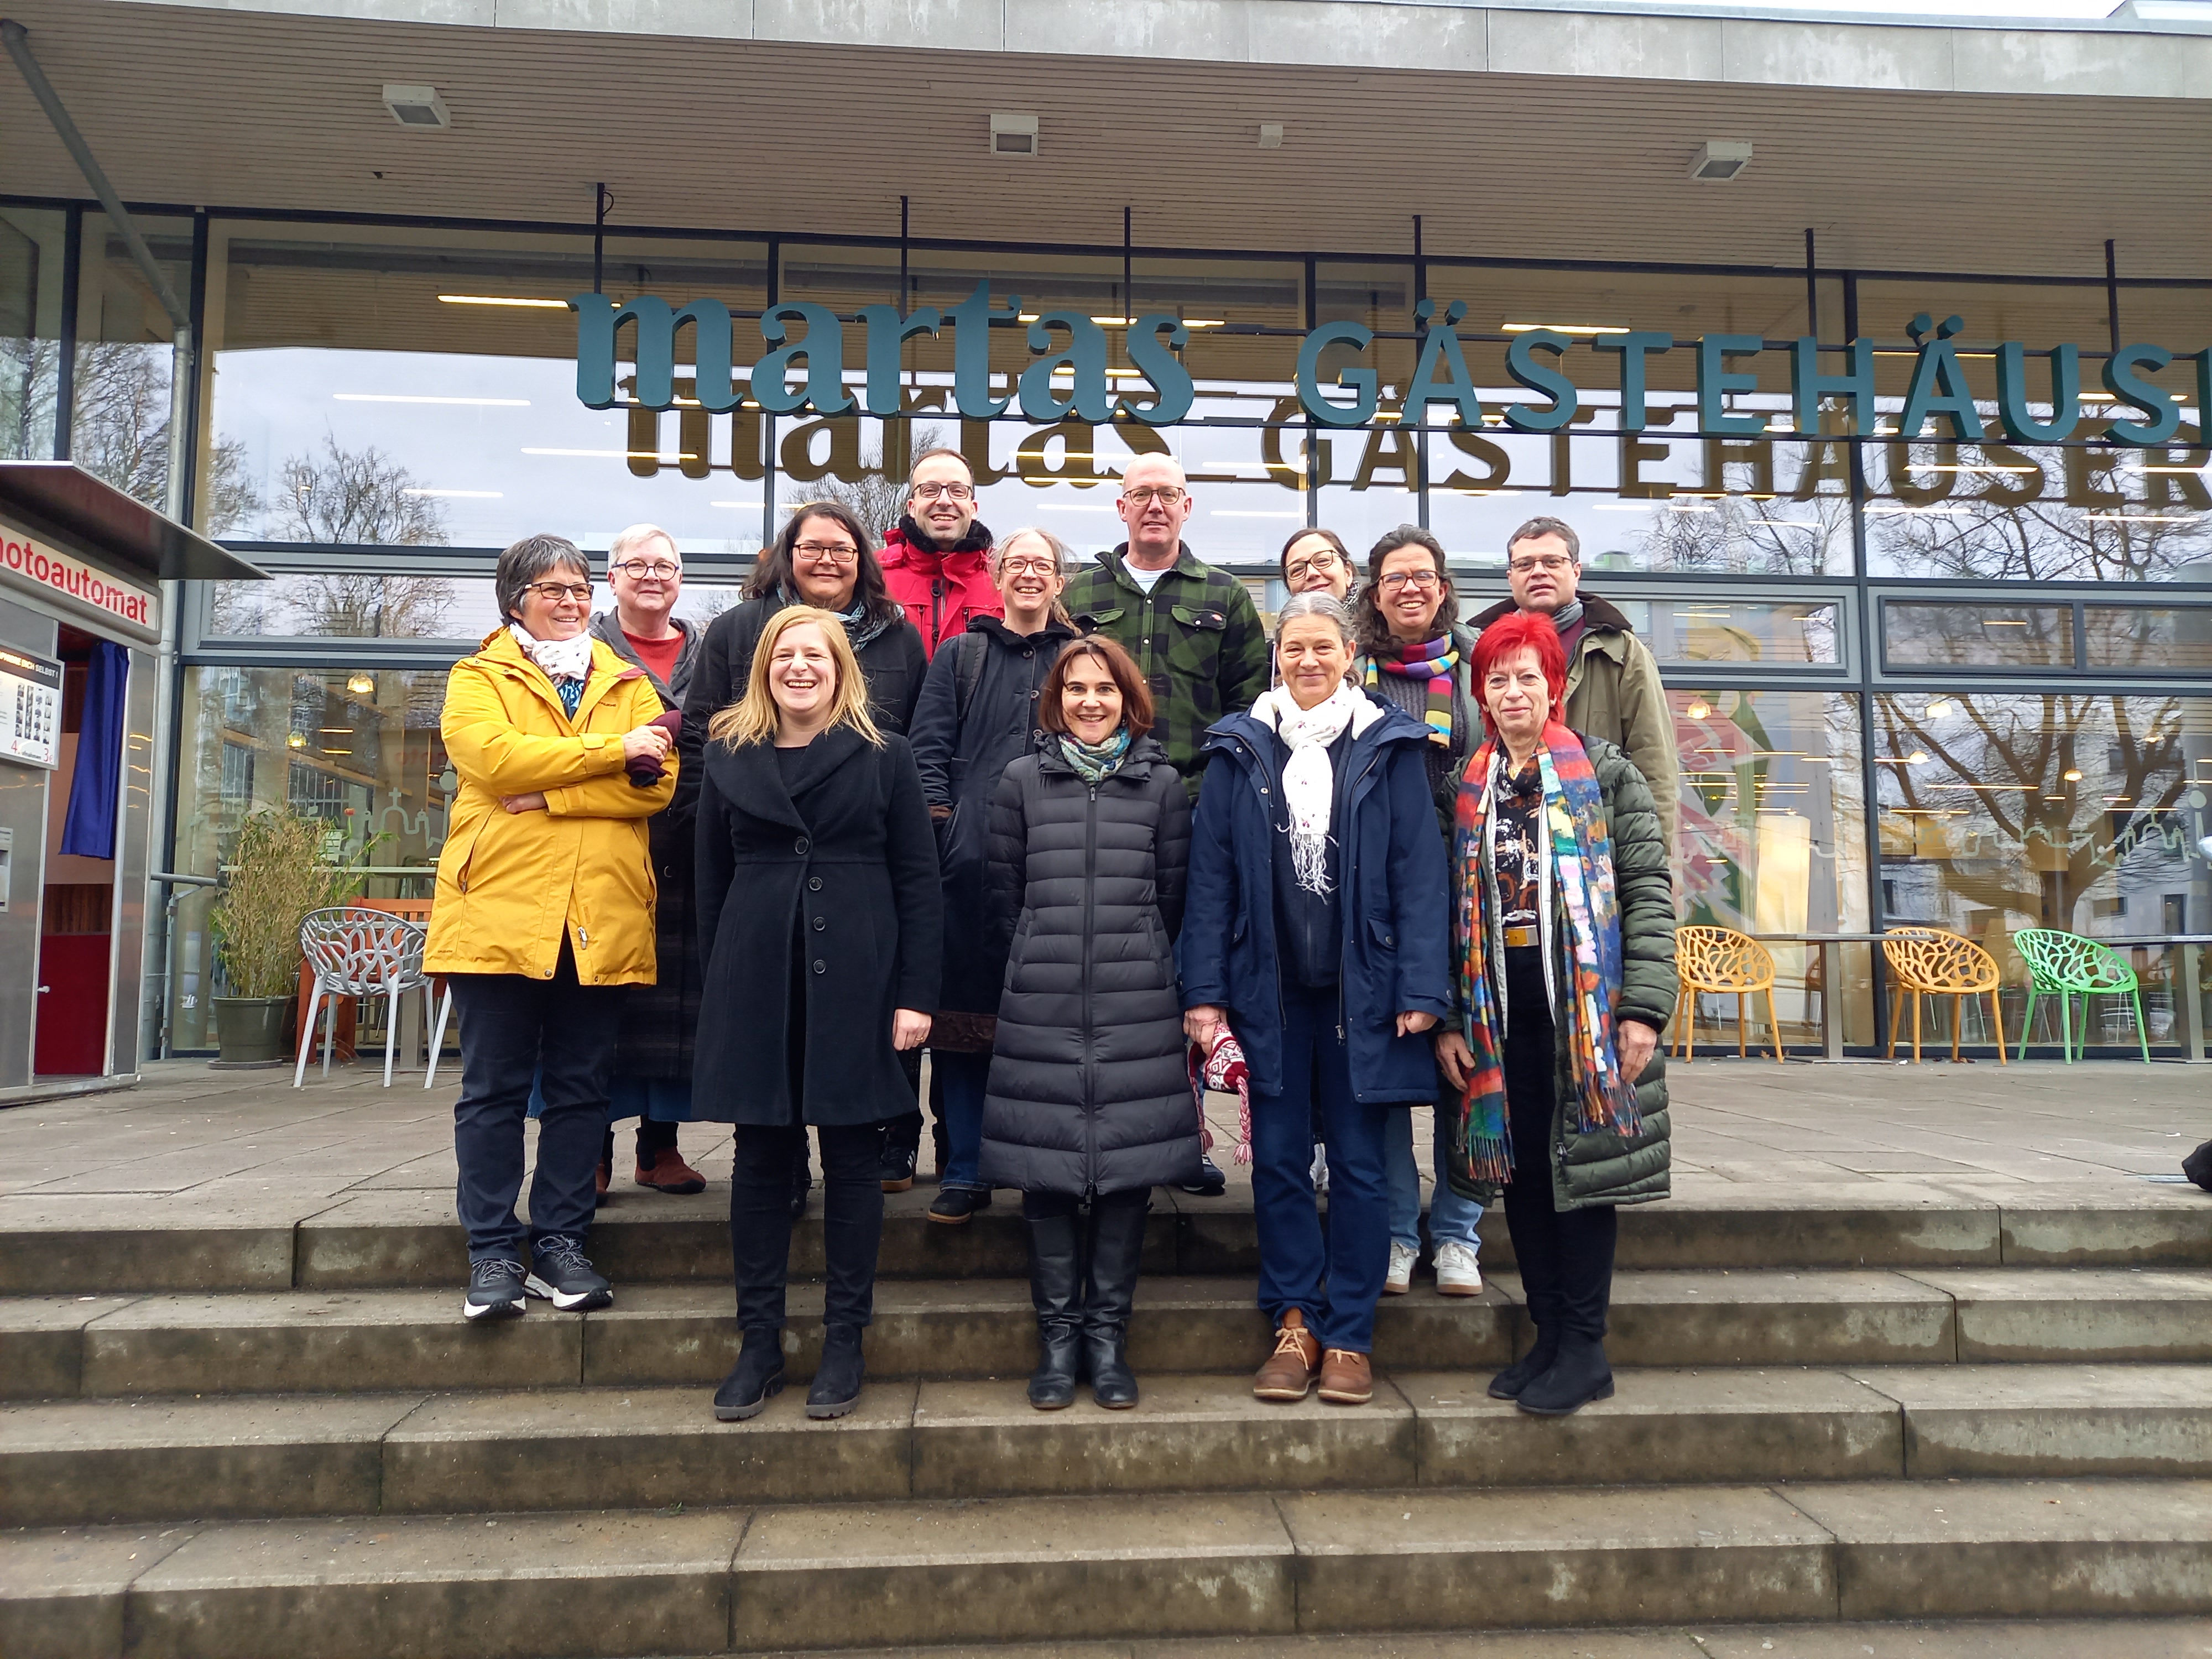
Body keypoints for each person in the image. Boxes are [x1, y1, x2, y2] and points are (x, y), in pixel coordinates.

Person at [1178, 592, 1452, 1408]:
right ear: (1277, 656)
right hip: (1269, 995)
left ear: (1349, 657)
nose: (1307, 661)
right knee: (1280, 1164)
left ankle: (1351, 1334)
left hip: (1367, 996)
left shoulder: (1390, 745)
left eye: (1322, 648)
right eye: (1293, 647)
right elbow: (1211, 881)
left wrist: (1422, 987)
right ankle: (1295, 1320)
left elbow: (1419, 875)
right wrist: (1205, 996)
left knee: (1364, 1169)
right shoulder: (1239, 749)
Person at [693, 606, 941, 1423]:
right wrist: (719, 990)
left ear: (842, 670)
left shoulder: (886, 756)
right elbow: (709, 884)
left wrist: (916, 995)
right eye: (785, 655)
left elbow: (918, 884)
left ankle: (845, 1341)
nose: (800, 668)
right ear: (764, 666)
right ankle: (759, 1344)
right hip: (756, 978)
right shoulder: (728, 756)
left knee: (853, 1161)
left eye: (817, 656)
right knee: (761, 1163)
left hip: (858, 981)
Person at [425, 534, 675, 1322]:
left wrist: (556, 792)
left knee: (580, 1092)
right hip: (498, 912)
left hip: (598, 917)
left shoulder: (626, 680)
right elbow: (494, 761)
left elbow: (656, 785)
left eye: (576, 588)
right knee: (493, 1090)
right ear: (515, 600)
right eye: (549, 589)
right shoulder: (477, 675)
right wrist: (610, 751)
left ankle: (563, 1241)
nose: (568, 601)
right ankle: (493, 1252)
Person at [1434, 611, 1676, 1418]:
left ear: (1555, 686)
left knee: (1582, 1179)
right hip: (1499, 1005)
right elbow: (1441, 910)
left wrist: (1644, 1009)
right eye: (1496, 679)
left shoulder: (1606, 775)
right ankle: (1547, 1336)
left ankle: (1586, 1347)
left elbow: (1647, 891)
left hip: (1589, 1007)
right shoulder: (1467, 788)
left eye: (1526, 676)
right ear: (1482, 693)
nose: (1511, 692)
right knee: (1527, 1175)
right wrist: (1446, 1019)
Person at [680, 503, 931, 1202]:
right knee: (766, 1122)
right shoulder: (738, 630)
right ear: (786, 554)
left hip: (855, 911)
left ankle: (887, 1152)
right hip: (761, 922)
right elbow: (712, 858)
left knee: (853, 1121)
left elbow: (914, 868)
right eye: (811, 546)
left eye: (841, 547)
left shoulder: (896, 644)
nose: (826, 559)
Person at [979, 634, 1192, 1410]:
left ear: (1129, 700)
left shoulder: (1161, 786)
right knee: (1046, 1175)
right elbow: (1003, 895)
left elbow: (1173, 894)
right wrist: (1037, 958)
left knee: (1128, 1177)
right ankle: (1058, 1339)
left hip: (1136, 1002)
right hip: (1042, 1004)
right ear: (1056, 700)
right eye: (1076, 690)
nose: (1091, 702)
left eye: (1105, 689)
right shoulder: (1019, 782)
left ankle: (1107, 1341)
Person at [908, 527, 1079, 1225]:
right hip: (970, 868)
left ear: (1059, 581)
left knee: (1054, 1024)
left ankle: (1049, 1165)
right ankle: (966, 1168)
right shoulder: (961, 654)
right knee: (963, 1024)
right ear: (998, 577)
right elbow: (927, 754)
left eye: (1043, 563)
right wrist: (947, 835)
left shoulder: (1083, 658)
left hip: (1065, 863)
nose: (1030, 574)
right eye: (1017, 564)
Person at [1351, 525, 1488, 1299]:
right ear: (1375, 592)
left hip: (1477, 888)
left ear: (1442, 587)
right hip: (1384, 891)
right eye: (1395, 577)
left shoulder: (1479, 666)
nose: (1410, 587)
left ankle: (1459, 1231)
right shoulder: (1353, 675)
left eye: (1424, 576)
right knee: (1396, 1074)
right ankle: (1401, 1233)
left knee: (1473, 1069)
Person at [583, 523, 705, 1196]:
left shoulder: (709, 650)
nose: (652, 575)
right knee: (602, 1003)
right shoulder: (585, 652)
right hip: (605, 845)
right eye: (637, 565)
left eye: (665, 564)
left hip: (688, 850)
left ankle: (659, 1149)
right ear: (613, 579)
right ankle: (590, 1150)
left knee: (674, 1007)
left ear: (680, 578)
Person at [1063, 453, 1271, 804]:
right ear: (1122, 507)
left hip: (1194, 797)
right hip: (1093, 794)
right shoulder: (1078, 593)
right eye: (1141, 494)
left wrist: (1217, 781)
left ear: (1186, 506)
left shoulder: (1226, 594)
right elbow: (1056, 690)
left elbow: (1248, 703)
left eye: (1168, 495)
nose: (1155, 506)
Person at [1469, 517, 1678, 848]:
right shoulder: (1479, 649)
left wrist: (1656, 864)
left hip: (1596, 849)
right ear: (1510, 577)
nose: (1539, 571)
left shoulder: (1620, 650)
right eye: (1525, 564)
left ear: (1576, 571)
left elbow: (1654, 762)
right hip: (1500, 845)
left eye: (1552, 561)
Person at [879, 447, 1001, 658]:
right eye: (930, 490)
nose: (944, 501)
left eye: (957, 491)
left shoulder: (1005, 576)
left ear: (973, 508)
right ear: (912, 506)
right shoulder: (872, 573)